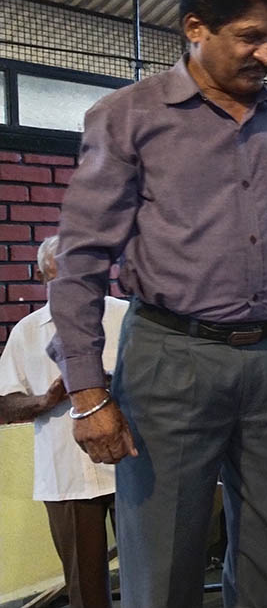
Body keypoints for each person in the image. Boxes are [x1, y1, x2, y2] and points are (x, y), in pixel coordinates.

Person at [47, 0, 267, 607]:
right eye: (251, 36)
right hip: (171, 363)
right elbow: (79, 257)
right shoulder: (130, 117)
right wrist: (88, 393)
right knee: (162, 570)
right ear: (196, 28)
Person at [0, 236, 126, 608]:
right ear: (41, 276)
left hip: (131, 466)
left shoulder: (128, 317)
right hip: (65, 476)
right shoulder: (27, 331)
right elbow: (4, 405)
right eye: (59, 277)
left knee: (148, 577)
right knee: (84, 591)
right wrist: (45, 400)